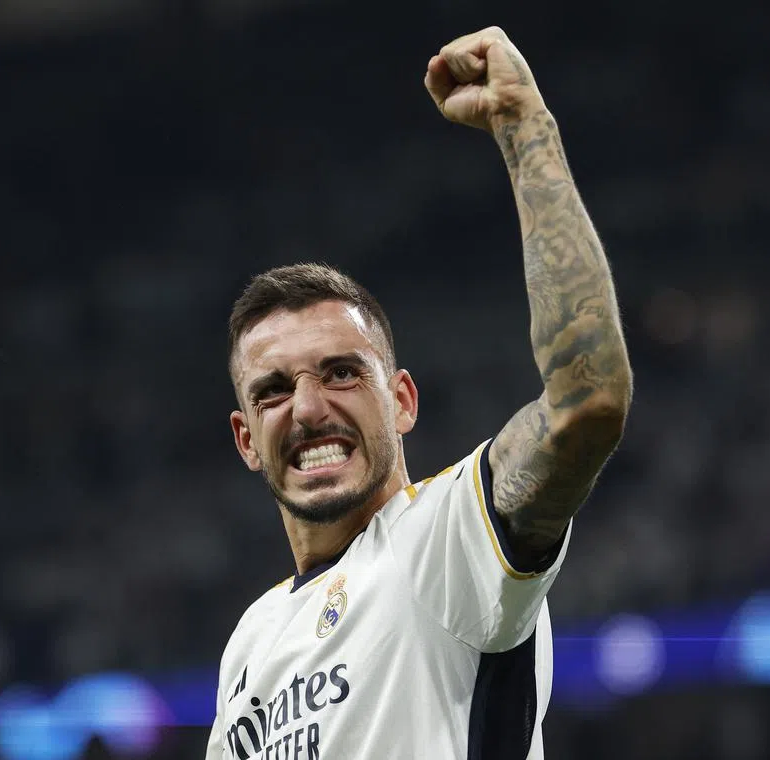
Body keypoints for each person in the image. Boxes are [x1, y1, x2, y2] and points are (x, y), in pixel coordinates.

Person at [206, 26, 632, 759]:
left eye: (341, 372)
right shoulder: (252, 638)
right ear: (246, 438)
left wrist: (526, 128)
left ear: (402, 400)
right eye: (274, 391)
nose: (308, 409)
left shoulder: (442, 542)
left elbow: (586, 400)